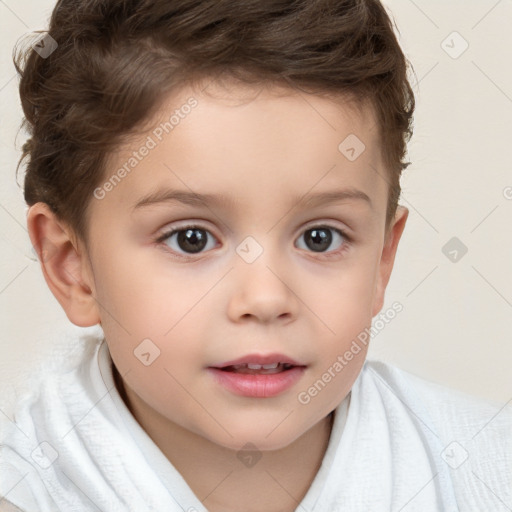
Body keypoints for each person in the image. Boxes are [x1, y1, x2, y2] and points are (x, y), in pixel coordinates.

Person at [1, 0, 510, 511]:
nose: (266, 299)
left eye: (320, 238)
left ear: (382, 259)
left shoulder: (487, 470)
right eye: (191, 239)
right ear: (73, 268)